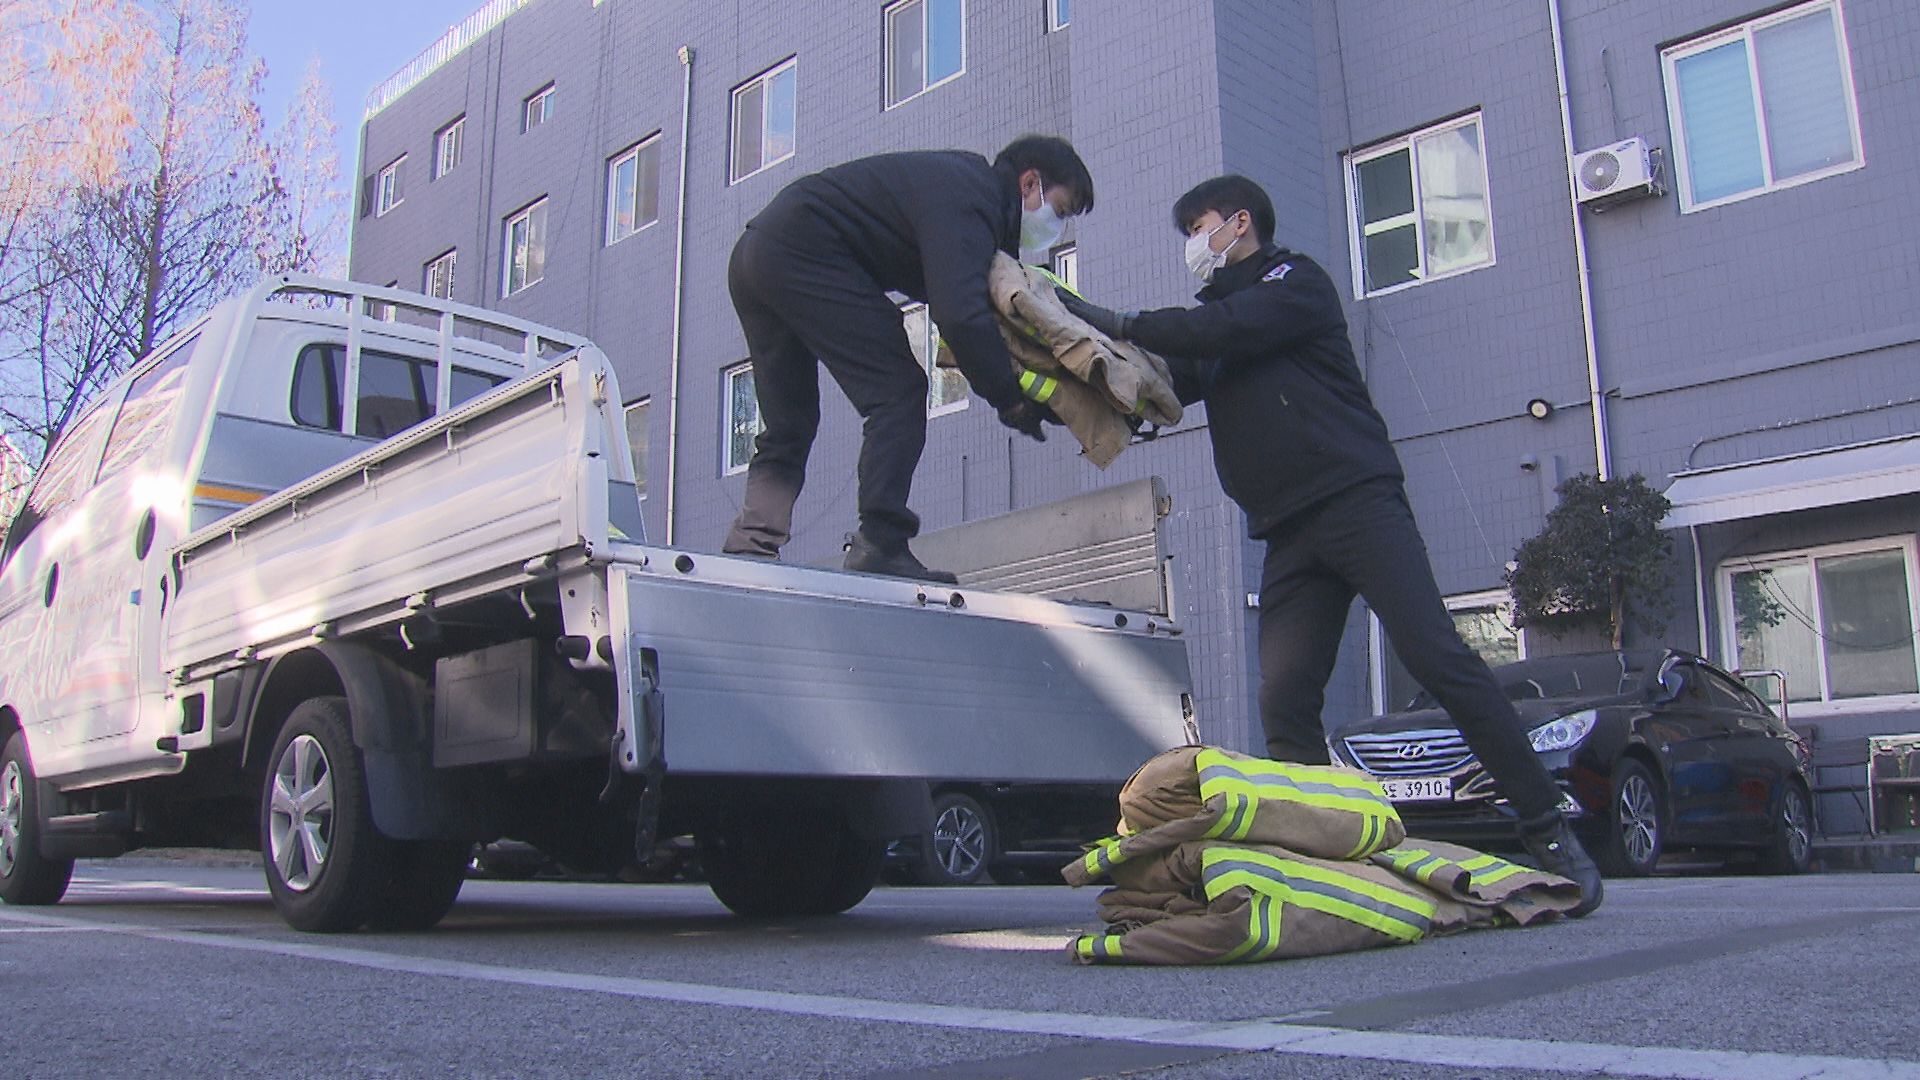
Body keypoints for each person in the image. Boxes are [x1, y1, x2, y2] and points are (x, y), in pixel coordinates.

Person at [1057, 175, 1603, 916]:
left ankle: (1546, 826)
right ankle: (1326, 854)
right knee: (1285, 696)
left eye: (1200, 224)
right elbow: (1156, 380)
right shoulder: (1216, 322)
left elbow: (1213, 333)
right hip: (1289, 531)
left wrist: (1121, 317)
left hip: (1357, 504)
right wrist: (1066, 356)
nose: (1192, 240)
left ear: (1240, 223)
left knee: (1438, 658)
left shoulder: (1293, 284)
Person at [719, 136, 1089, 583]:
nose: (1057, 227)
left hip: (756, 255)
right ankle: (881, 541)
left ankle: (752, 543)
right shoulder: (973, 199)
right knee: (898, 392)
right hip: (804, 250)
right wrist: (1009, 400)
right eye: (1061, 210)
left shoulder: (958, 186)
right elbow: (960, 315)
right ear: (1030, 183)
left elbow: (972, 312)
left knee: (790, 423)